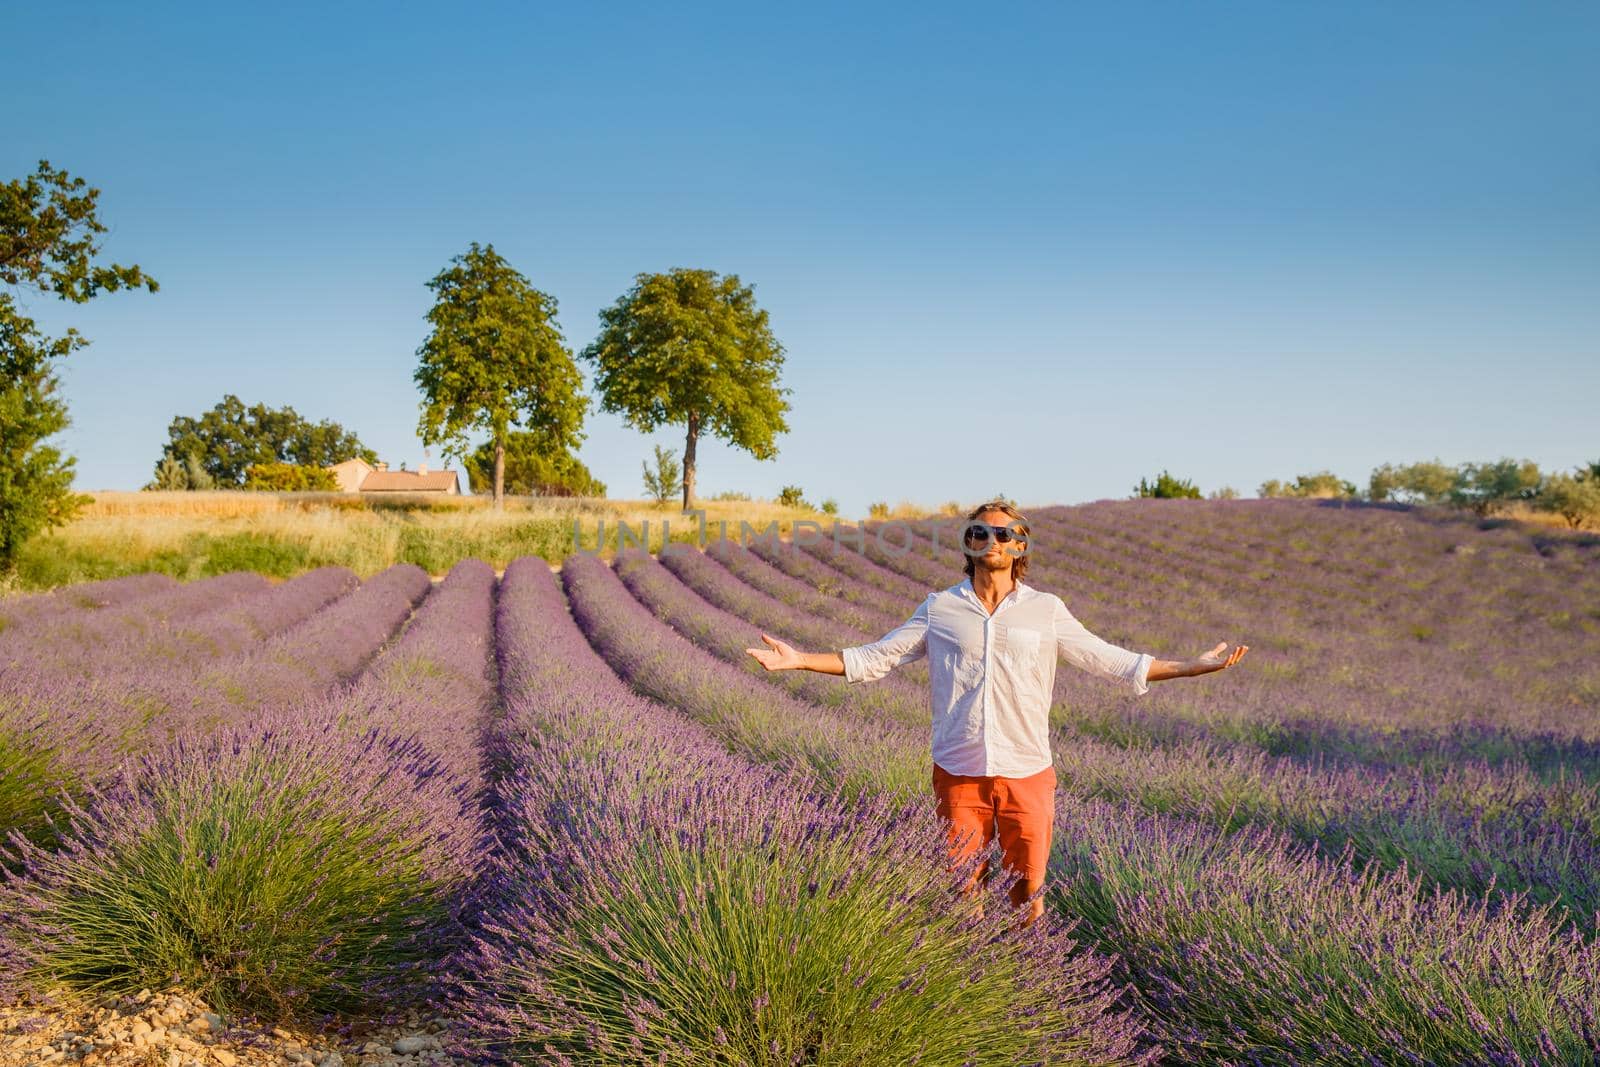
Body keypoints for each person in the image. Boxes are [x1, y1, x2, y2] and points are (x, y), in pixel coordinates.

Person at [745, 500, 1248, 924]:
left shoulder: (1046, 609)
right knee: (962, 894)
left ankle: (1027, 976)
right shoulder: (939, 608)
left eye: (1005, 533)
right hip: (959, 773)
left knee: (1028, 894)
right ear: (968, 544)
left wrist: (1189, 667)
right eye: (980, 531)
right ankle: (974, 981)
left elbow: (1112, 661)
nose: (993, 540)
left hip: (1027, 773)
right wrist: (800, 660)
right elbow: (876, 658)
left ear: (1020, 546)